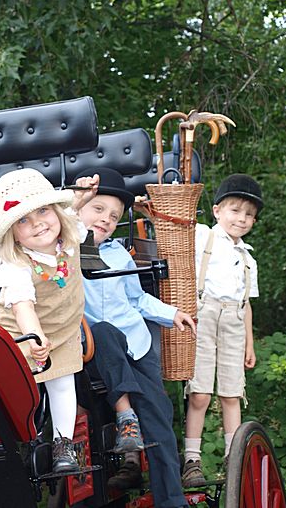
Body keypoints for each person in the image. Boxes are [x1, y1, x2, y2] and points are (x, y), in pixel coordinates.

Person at [74, 167, 195, 508]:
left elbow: (136, 299)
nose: (106, 219)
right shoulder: (66, 250)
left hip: (134, 346)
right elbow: (75, 249)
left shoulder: (118, 254)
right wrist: (73, 208)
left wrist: (171, 313)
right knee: (103, 331)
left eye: (114, 216)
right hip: (92, 350)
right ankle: (124, 417)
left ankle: (172, 500)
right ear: (79, 208)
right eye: (98, 209)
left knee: (159, 417)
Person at [0, 168, 97, 473]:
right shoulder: (16, 265)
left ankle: (64, 445)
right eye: (23, 220)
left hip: (63, 331)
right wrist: (34, 338)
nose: (37, 223)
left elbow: (71, 208)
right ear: (12, 234)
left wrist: (82, 196)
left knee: (62, 384)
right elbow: (23, 307)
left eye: (43, 211)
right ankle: (16, 444)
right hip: (23, 334)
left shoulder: (70, 237)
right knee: (21, 390)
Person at [182, 174, 262, 487]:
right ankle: (192, 459)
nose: (242, 219)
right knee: (200, 392)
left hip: (234, 320)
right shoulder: (203, 236)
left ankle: (233, 458)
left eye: (249, 215)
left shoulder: (248, 258)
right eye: (235, 210)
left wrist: (249, 344)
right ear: (217, 211)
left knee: (232, 392)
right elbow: (176, 230)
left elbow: (247, 303)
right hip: (204, 314)